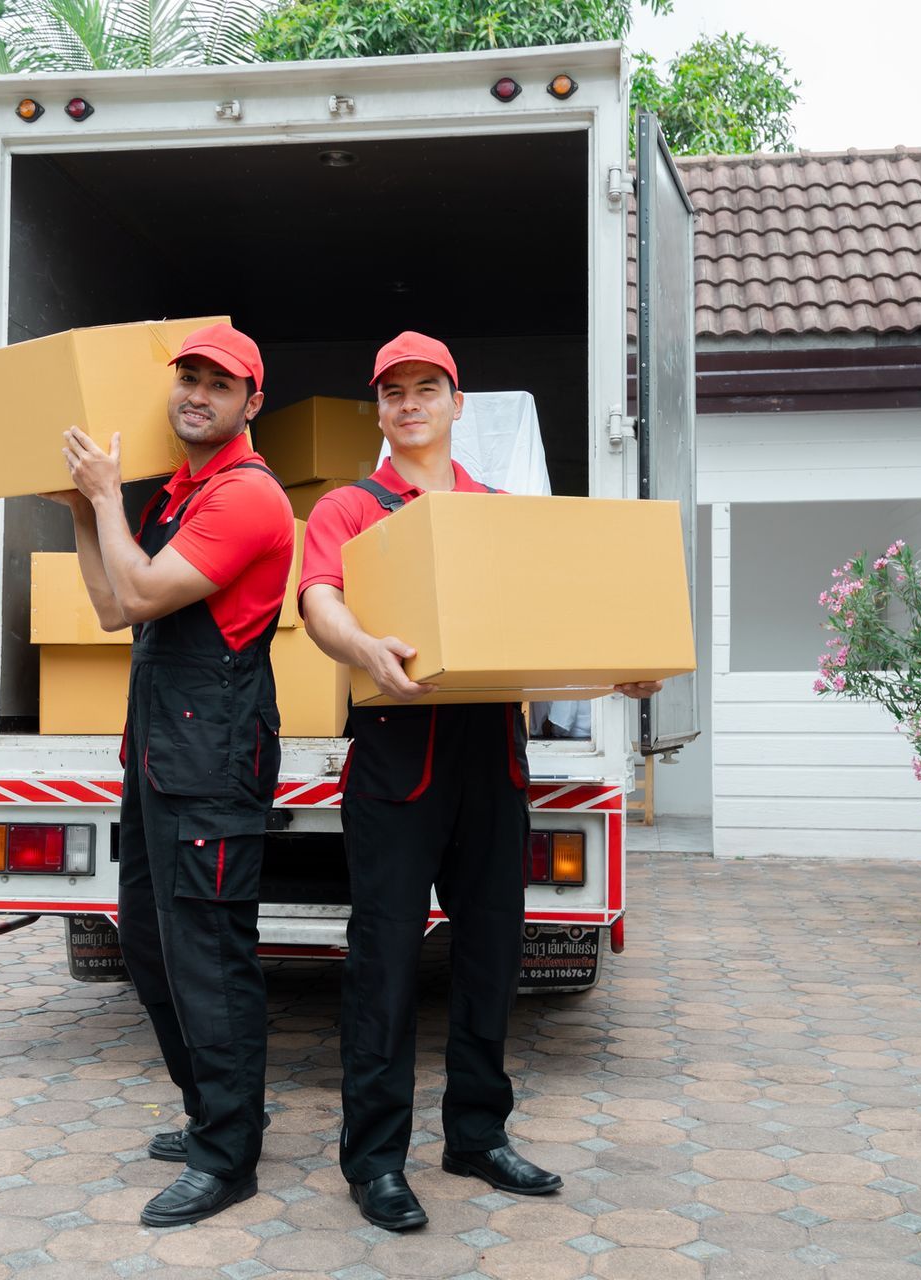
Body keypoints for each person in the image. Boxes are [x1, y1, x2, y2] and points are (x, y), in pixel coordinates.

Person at [297, 332, 661, 1231]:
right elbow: (319, 600)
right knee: (383, 963)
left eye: (428, 388)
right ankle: (376, 1160)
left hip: (493, 757)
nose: (411, 404)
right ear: (379, 410)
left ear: (459, 405)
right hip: (394, 756)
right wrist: (364, 647)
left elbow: (554, 616)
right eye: (395, 392)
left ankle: (476, 1134)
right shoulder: (349, 507)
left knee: (493, 951)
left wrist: (623, 663)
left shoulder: (498, 510)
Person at [43, 322, 294, 1228]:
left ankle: (230, 1157)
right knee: (148, 944)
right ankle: (211, 1114)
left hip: (213, 763)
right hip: (157, 758)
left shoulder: (247, 498)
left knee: (208, 957)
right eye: (186, 378)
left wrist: (109, 494)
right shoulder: (178, 496)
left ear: (250, 402)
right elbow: (116, 608)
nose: (196, 394)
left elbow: (147, 593)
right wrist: (81, 508)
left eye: (218, 384)